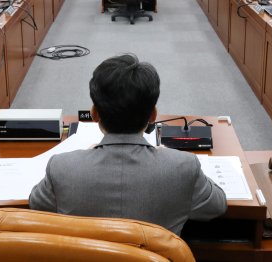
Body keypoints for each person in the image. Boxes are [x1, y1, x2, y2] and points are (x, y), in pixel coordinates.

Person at [29, 54, 227, 234]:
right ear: (153, 116)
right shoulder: (183, 167)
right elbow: (218, 205)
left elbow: (36, 204)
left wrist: (84, 158)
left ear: (94, 114)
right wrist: (168, 157)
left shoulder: (62, 167)